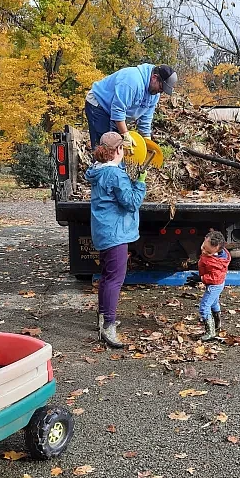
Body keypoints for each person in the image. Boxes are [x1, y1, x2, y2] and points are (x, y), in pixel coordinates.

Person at [84, 131, 147, 347]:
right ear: (118, 150)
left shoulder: (98, 170)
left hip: (104, 231)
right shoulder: (115, 175)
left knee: (106, 277)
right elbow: (131, 203)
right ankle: (109, 328)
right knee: (114, 280)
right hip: (116, 233)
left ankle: (103, 319)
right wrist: (140, 183)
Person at [84, 64, 178, 150]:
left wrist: (147, 144)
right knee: (104, 150)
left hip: (114, 112)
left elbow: (146, 118)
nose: (160, 92)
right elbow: (118, 109)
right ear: (154, 77)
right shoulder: (132, 81)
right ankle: (98, 167)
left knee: (117, 149)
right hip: (99, 104)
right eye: (161, 88)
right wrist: (125, 134)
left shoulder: (154, 93)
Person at [195, 231, 231, 341]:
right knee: (214, 303)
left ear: (216, 250)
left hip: (214, 285)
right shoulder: (213, 253)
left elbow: (214, 278)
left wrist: (201, 278)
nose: (203, 251)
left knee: (204, 307)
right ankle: (217, 324)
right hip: (216, 283)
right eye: (203, 247)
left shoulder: (216, 263)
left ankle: (210, 332)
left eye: (208, 251)